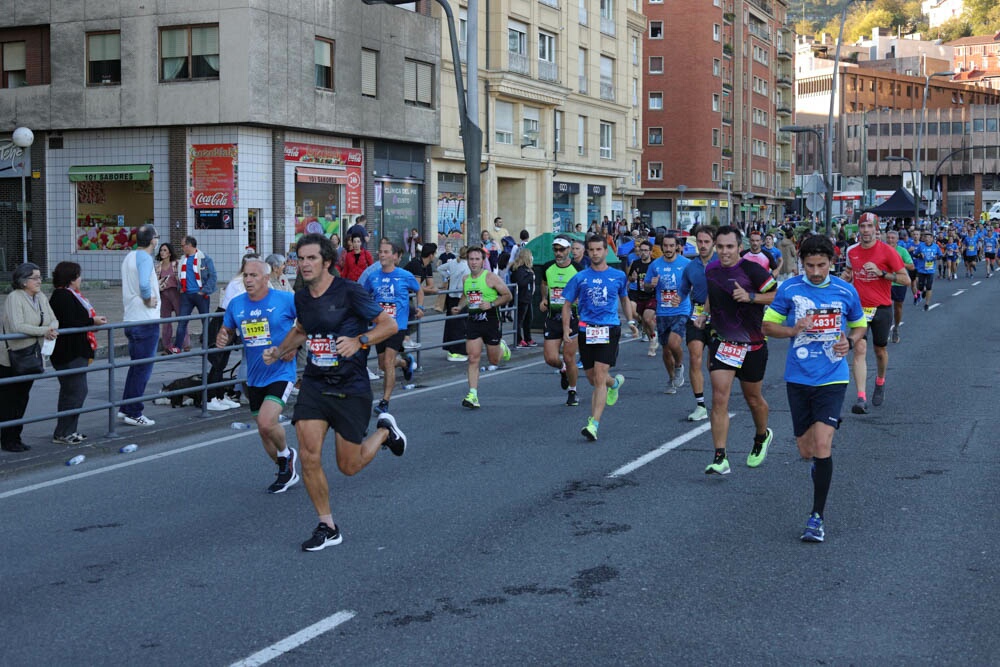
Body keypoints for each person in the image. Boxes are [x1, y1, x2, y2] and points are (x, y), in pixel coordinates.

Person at [262, 233, 407, 552]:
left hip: (350, 386)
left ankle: (384, 432)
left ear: (327, 261)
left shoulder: (350, 292)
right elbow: (302, 329)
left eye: (311, 258)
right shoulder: (301, 296)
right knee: (310, 455)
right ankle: (327, 525)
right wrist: (279, 350)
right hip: (315, 384)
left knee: (349, 465)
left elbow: (389, 325)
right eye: (300, 258)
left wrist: (361, 341)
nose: (304, 264)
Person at [762, 235, 867, 542]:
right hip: (798, 377)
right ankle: (822, 444)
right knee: (806, 450)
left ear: (832, 263)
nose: (816, 271)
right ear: (801, 262)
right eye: (810, 265)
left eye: (822, 265)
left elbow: (859, 323)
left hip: (833, 375)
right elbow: (768, 326)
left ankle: (816, 518)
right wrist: (793, 329)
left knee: (822, 445)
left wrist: (851, 339)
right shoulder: (790, 289)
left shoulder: (845, 291)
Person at [694, 225, 776, 475]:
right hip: (723, 342)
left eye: (730, 247)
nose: (725, 252)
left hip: (752, 344)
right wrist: (704, 314)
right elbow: (712, 293)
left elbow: (776, 296)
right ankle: (720, 456)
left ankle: (762, 435)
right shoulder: (712, 269)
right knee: (719, 398)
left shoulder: (753, 270)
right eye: (720, 247)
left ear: (739, 247)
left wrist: (751, 297)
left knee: (753, 399)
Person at [217, 256, 300, 493]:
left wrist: (292, 347)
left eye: (254, 275)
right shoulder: (237, 304)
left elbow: (305, 324)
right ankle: (285, 465)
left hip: (281, 372)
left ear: (266, 278)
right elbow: (227, 329)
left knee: (266, 422)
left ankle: (287, 455)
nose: (249, 280)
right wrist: (223, 336)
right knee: (264, 432)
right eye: (245, 275)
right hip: (254, 375)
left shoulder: (285, 299)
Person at [561, 235, 639, 441]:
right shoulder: (580, 277)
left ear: (606, 251)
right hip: (586, 330)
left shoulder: (618, 276)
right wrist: (566, 329)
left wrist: (630, 322)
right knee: (593, 378)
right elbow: (567, 304)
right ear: (588, 252)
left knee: (599, 376)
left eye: (599, 249)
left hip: (609, 329)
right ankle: (614, 384)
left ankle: (593, 423)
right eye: (592, 250)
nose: (595, 253)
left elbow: (624, 298)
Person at [842, 213, 909, 414]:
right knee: (859, 348)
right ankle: (861, 398)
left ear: (876, 229)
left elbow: (905, 279)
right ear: (858, 229)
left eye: (870, 226)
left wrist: (882, 274)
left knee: (879, 351)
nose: (866, 231)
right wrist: (844, 279)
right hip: (859, 309)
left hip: (881, 308)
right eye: (862, 227)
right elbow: (848, 272)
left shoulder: (888, 252)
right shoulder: (851, 251)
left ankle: (880, 381)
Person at [0, 263, 58, 452]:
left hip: (31, 354)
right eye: (35, 278)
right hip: (11, 357)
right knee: (10, 400)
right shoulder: (14, 298)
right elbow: (18, 326)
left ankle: (16, 437)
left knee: (22, 398)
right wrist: (45, 331)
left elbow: (53, 318)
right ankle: (8, 439)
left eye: (40, 277)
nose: (40, 281)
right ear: (23, 281)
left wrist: (52, 328)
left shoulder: (40, 296)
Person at [49, 262, 108, 445]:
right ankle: (63, 432)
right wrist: (92, 321)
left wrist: (91, 321)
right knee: (76, 391)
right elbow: (70, 322)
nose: (80, 279)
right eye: (78, 275)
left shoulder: (68, 295)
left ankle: (67, 430)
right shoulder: (63, 296)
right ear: (71, 278)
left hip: (72, 350)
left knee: (72, 391)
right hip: (70, 352)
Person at [363, 242, 423, 415]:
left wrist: (420, 307)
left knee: (388, 362)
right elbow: (364, 296)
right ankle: (405, 363)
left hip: (398, 326)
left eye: (386, 252)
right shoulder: (373, 276)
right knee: (383, 365)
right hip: (379, 326)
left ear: (395, 256)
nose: (382, 255)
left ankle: (385, 401)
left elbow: (419, 290)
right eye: (380, 252)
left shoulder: (404, 275)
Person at [453, 246, 513, 408]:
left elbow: (508, 295)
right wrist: (460, 306)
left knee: (494, 360)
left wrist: (492, 303)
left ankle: (502, 347)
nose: (473, 262)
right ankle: (473, 394)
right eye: (471, 259)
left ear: (483, 261)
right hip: (473, 321)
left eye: (477, 259)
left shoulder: (491, 278)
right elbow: (466, 295)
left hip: (491, 321)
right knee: (473, 358)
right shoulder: (466, 279)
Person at [120, 224, 161, 427]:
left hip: (131, 317)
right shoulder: (145, 257)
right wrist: (148, 298)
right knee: (143, 368)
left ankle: (126, 407)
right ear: (152, 239)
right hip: (145, 319)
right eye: (157, 237)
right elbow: (144, 284)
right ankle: (134, 411)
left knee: (136, 367)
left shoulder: (130, 256)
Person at [206, 254, 257, 411]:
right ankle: (210, 398)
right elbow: (234, 304)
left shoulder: (246, 282)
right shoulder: (237, 283)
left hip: (233, 321)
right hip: (224, 320)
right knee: (218, 361)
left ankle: (219, 396)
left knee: (223, 361)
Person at [678, 225, 716, 421]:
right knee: (695, 357)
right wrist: (678, 299)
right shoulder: (691, 266)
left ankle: (719, 400)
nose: (702, 245)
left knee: (714, 365)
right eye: (699, 241)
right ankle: (700, 405)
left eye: (706, 242)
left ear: (714, 243)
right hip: (696, 314)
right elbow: (683, 289)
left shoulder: (722, 262)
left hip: (719, 316)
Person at [645, 234, 691, 394]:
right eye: (666, 246)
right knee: (665, 350)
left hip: (681, 310)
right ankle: (671, 379)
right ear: (662, 247)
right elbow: (646, 286)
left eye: (672, 246)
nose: (669, 249)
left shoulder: (686, 264)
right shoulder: (655, 265)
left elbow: (695, 284)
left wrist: (684, 295)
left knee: (673, 343)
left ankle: (679, 366)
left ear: (677, 247)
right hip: (663, 311)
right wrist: (651, 285)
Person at [540, 236, 583, 406]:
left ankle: (572, 390)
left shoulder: (578, 269)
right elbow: (544, 283)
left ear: (569, 250)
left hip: (572, 319)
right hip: (553, 317)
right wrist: (544, 298)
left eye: (562, 249)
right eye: (555, 249)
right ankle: (563, 369)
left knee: (569, 356)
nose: (558, 253)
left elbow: (585, 290)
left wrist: (580, 300)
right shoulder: (547, 268)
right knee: (551, 358)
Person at [167, 236, 216, 355]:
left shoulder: (205, 259)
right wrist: (181, 289)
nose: (182, 248)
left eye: (183, 245)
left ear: (189, 245)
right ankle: (177, 347)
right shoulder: (183, 260)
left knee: (205, 321)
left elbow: (212, 276)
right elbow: (179, 276)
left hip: (201, 295)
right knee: (182, 321)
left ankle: (208, 346)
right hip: (186, 295)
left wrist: (204, 291)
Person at [402, 243, 439, 350]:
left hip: (409, 293)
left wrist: (429, 289)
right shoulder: (416, 264)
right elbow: (416, 287)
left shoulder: (427, 266)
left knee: (415, 317)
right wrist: (431, 291)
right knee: (412, 313)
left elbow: (430, 284)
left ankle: (404, 338)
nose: (435, 256)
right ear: (431, 255)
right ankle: (405, 339)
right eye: (435, 253)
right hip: (402, 292)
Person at [439, 245, 470, 361]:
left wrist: (448, 277)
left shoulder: (452, 263)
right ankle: (459, 349)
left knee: (451, 323)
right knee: (461, 324)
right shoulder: (467, 266)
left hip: (451, 295)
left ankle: (450, 347)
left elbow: (440, 268)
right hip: (461, 296)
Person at [627, 240, 657, 357]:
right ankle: (650, 334)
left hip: (652, 295)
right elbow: (630, 278)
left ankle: (652, 339)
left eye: (645, 250)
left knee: (647, 318)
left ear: (650, 252)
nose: (643, 253)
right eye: (641, 250)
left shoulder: (654, 264)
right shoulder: (636, 263)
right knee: (635, 313)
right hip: (639, 294)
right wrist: (632, 279)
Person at [156, 242, 188, 352]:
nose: (162, 252)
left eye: (165, 250)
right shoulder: (158, 266)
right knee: (166, 321)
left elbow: (182, 276)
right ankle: (167, 345)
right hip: (164, 295)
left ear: (170, 252)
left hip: (176, 293)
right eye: (161, 250)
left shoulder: (176, 264)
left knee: (181, 318)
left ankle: (185, 343)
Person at [884, 230, 914, 344]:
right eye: (888, 238)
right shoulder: (882, 250)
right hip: (885, 283)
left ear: (897, 240)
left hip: (899, 283)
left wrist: (898, 263)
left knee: (898, 307)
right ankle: (885, 330)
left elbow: (911, 266)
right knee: (884, 308)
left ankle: (896, 327)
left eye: (893, 238)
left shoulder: (902, 251)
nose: (890, 240)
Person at [508, 248, 537, 348]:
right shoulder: (520, 269)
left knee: (528, 319)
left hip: (527, 297)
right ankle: (519, 339)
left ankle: (528, 338)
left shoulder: (527, 269)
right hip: (522, 297)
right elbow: (521, 283)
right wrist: (530, 276)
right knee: (520, 320)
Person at [911, 231, 941, 311]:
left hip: (931, 270)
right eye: (926, 237)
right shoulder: (921, 246)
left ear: (932, 239)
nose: (927, 239)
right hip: (921, 270)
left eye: (929, 237)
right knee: (920, 287)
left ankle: (927, 304)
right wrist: (919, 255)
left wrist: (936, 257)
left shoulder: (936, 246)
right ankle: (919, 293)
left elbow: (940, 255)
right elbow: (915, 255)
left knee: (929, 287)